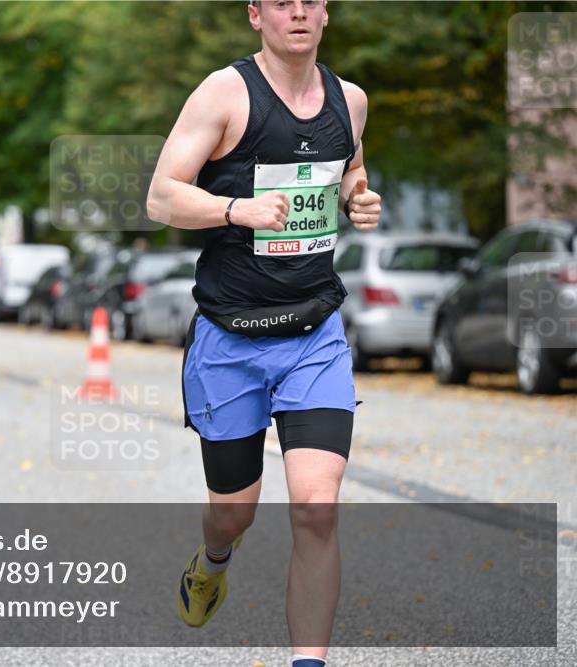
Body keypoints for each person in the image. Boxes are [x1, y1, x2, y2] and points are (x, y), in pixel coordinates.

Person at [146, 2, 382, 665]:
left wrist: (358, 197)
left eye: (311, 0)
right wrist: (234, 209)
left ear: (327, 12)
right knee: (233, 512)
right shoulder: (226, 93)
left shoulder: (351, 101)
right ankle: (212, 561)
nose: (299, 12)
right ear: (257, 15)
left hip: (314, 334)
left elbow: (348, 170)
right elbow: (161, 196)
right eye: (282, 1)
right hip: (230, 340)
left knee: (316, 507)